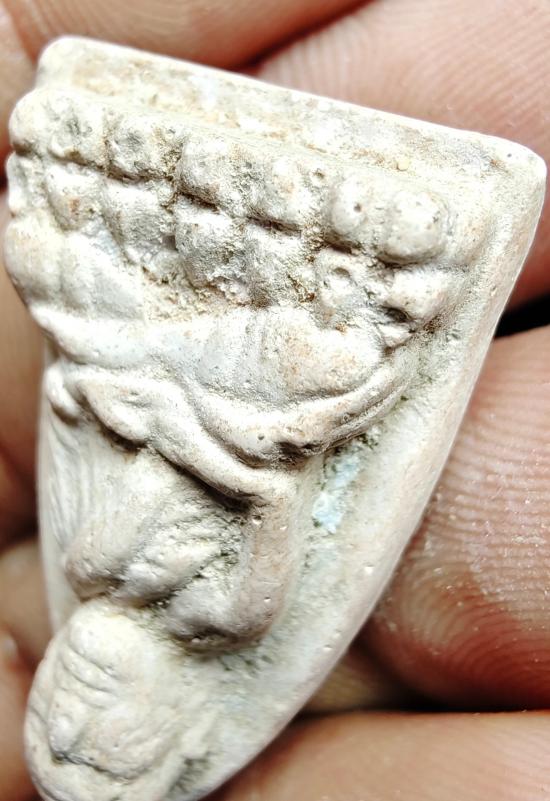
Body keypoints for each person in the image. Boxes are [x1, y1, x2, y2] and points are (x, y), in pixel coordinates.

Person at [0, 1, 549, 799]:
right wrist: (182, 429)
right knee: (320, 362)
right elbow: (268, 490)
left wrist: (118, 390)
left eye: (52, 731)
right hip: (236, 409)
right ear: (174, 728)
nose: (67, 721)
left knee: (59, 270)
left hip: (145, 369)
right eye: (93, 751)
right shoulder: (228, 618)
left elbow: (70, 399)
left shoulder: (87, 563)